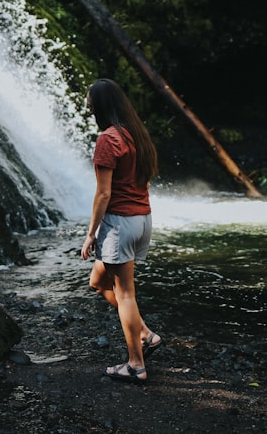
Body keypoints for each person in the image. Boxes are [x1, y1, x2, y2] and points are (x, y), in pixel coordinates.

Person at [80, 78, 165, 384]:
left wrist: (91, 233)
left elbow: (103, 194)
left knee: (125, 294)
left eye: (90, 102)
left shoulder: (108, 140)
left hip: (119, 223)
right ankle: (144, 333)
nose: (88, 106)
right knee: (99, 281)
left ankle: (135, 365)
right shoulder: (136, 136)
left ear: (100, 106)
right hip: (142, 219)